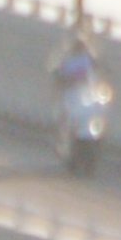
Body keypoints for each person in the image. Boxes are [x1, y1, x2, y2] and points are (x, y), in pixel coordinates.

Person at [49, 33, 115, 176]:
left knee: (97, 116)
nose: (81, 48)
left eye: (82, 45)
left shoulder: (88, 60)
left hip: (86, 99)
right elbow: (60, 76)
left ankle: (89, 154)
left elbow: (98, 74)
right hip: (71, 96)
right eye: (79, 45)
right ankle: (65, 147)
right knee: (65, 119)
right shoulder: (68, 61)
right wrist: (68, 80)